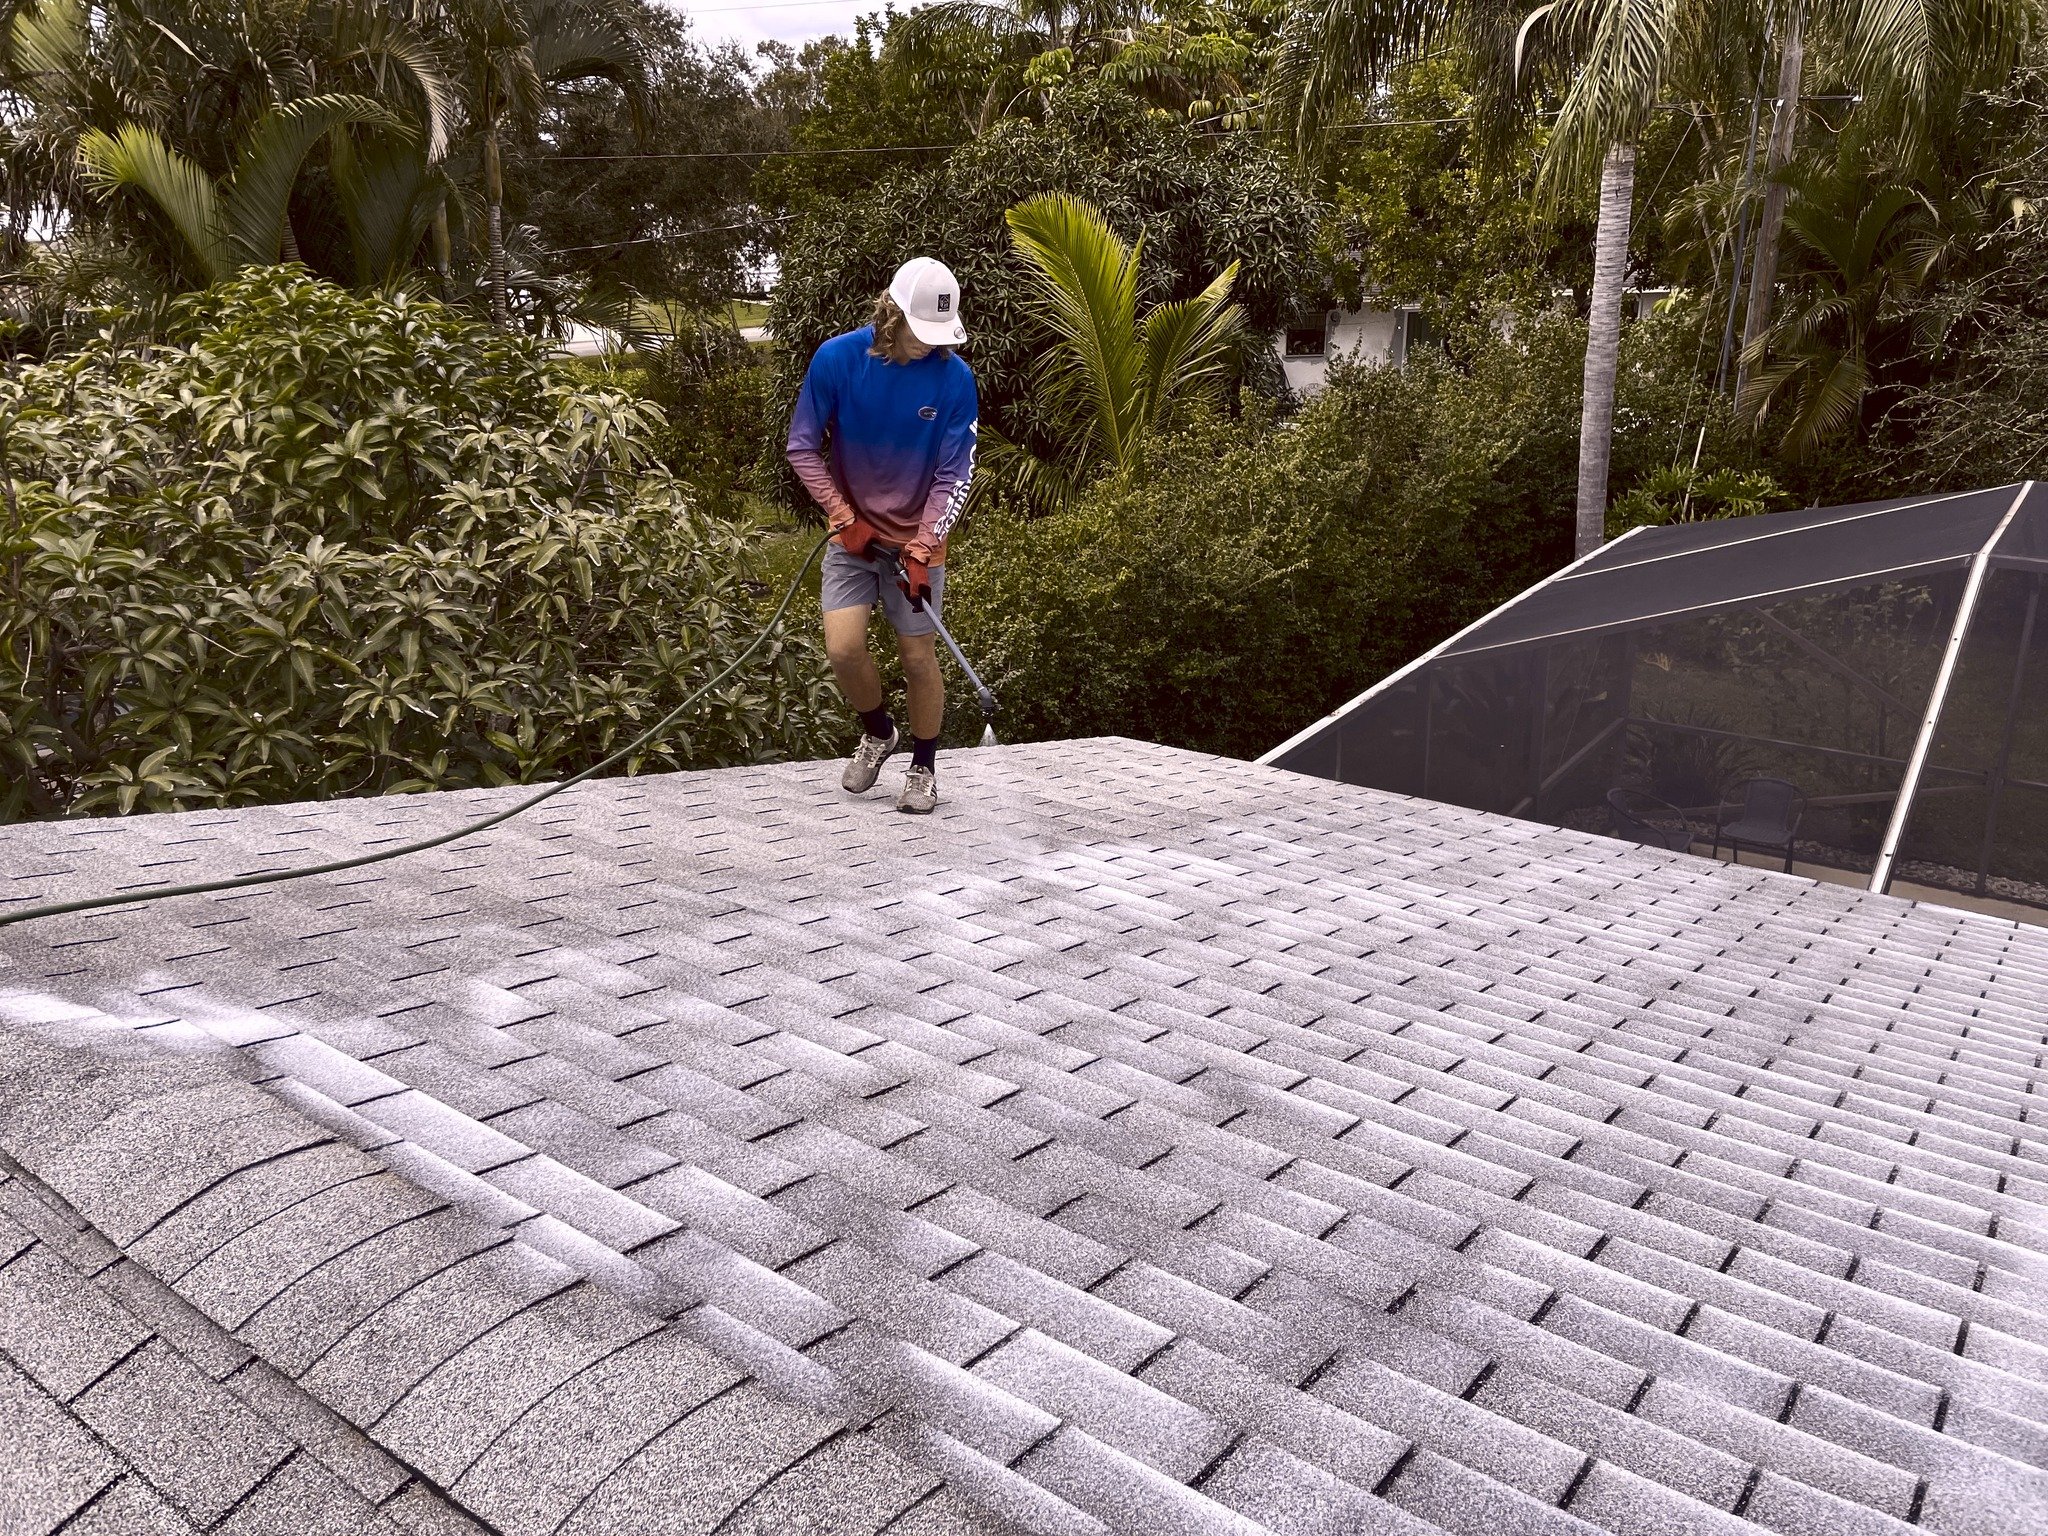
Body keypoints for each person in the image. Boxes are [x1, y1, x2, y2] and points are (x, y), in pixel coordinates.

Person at [786, 256, 978, 814]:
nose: (929, 344)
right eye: (920, 332)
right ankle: (878, 732)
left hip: (917, 541)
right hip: (852, 537)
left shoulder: (954, 378)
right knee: (843, 649)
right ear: (891, 313)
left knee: (918, 656)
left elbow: (955, 471)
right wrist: (844, 517)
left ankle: (923, 768)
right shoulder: (837, 360)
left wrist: (922, 546)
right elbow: (802, 446)